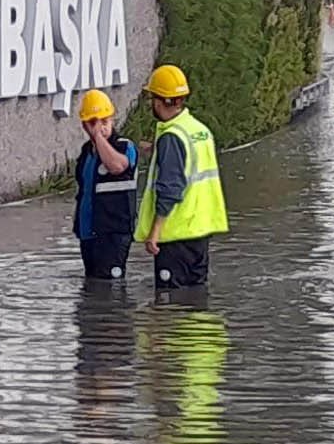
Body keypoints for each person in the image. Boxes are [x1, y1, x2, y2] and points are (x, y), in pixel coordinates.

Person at [134, 63, 226, 290]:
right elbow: (190, 165)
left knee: (170, 304)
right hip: (200, 233)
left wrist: (154, 233)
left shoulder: (172, 137)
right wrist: (156, 151)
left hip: (176, 236)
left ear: (158, 101)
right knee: (194, 297)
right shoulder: (198, 129)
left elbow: (170, 189)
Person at [71, 89, 141, 281]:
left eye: (105, 121)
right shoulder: (86, 153)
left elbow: (117, 166)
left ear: (112, 120)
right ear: (84, 125)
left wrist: (99, 138)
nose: (100, 127)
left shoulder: (125, 146)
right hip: (89, 231)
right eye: (94, 123)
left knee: (111, 287)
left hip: (114, 233)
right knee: (93, 284)